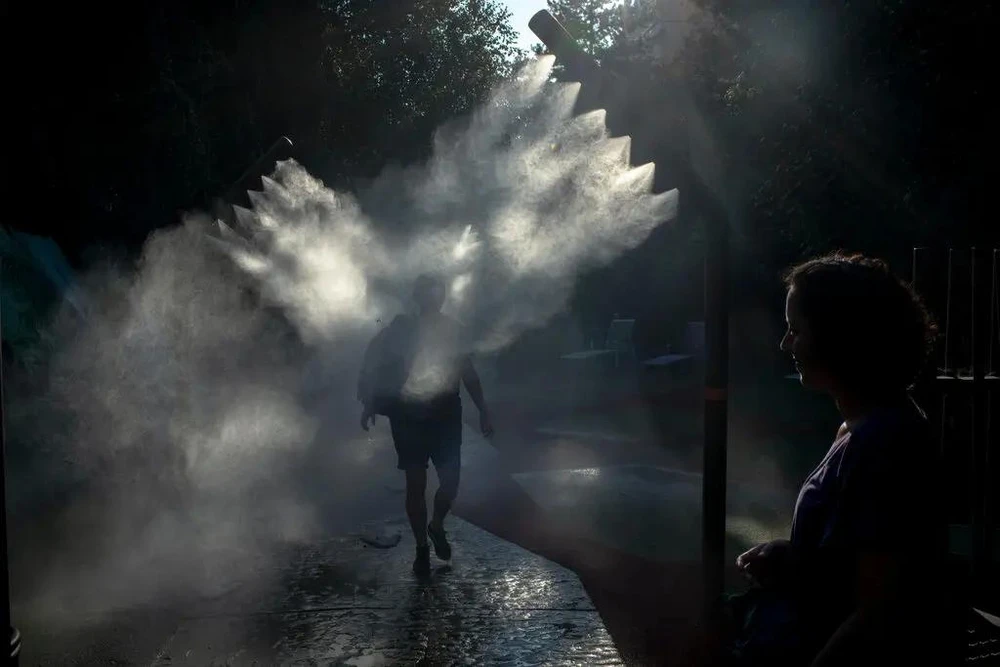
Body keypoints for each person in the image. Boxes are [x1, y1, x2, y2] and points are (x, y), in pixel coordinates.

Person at [722, 252, 958, 665]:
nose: (785, 343)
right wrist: (793, 556)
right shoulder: (858, 430)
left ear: (840, 335)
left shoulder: (885, 444)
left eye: (796, 330)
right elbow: (849, 565)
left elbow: (879, 611)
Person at [358, 274, 493, 577]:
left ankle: (436, 526)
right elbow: (381, 370)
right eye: (428, 295)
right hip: (409, 413)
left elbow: (468, 372)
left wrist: (483, 409)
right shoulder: (402, 331)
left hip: (444, 411)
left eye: (438, 295)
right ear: (418, 298)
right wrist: (370, 403)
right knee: (415, 483)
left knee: (450, 483)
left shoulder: (453, 329)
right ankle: (421, 548)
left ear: (442, 298)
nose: (434, 300)